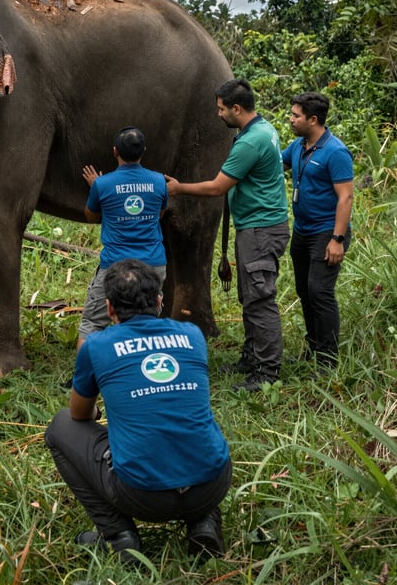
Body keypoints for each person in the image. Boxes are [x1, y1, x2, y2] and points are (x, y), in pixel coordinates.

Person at [45, 259, 231, 564]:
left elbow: (79, 414)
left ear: (109, 308)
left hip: (143, 496)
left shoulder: (97, 345)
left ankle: (118, 536)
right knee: (190, 421)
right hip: (212, 484)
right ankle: (204, 522)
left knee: (60, 426)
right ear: (159, 301)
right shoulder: (193, 336)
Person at [165, 78, 289, 392]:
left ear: (237, 108)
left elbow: (218, 187)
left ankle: (267, 371)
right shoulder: (263, 130)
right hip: (257, 226)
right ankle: (252, 356)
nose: (218, 114)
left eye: (222, 109)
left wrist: (179, 188)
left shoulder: (249, 141)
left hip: (261, 229)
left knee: (260, 299)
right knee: (250, 297)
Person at [77, 126, 167, 350]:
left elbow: (90, 216)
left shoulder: (102, 184)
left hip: (116, 267)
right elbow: (160, 214)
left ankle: (83, 380)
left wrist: (97, 189)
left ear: (114, 151)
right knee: (147, 323)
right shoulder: (158, 181)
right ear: (143, 151)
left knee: (92, 323)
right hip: (153, 264)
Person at [281, 92, 354, 370]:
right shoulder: (299, 146)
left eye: (296, 115)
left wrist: (337, 239)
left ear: (313, 119)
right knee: (303, 289)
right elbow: (277, 163)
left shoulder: (335, 152)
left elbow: (345, 198)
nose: (291, 119)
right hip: (302, 230)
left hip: (327, 231)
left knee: (319, 291)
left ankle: (328, 359)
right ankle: (313, 347)